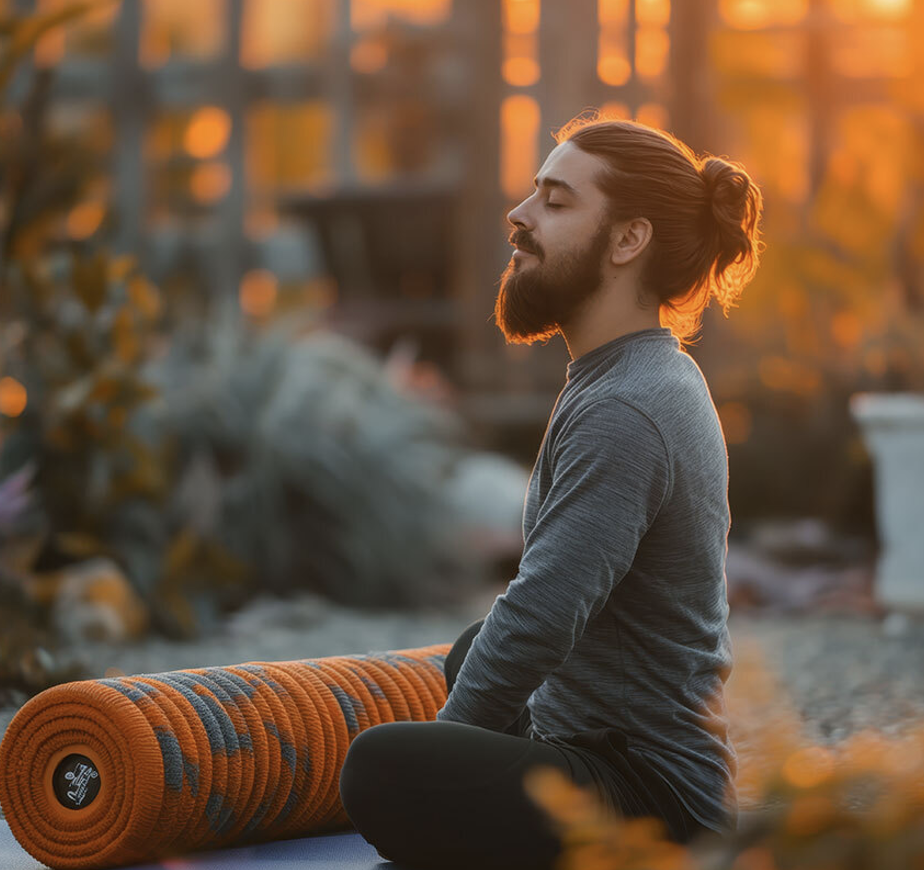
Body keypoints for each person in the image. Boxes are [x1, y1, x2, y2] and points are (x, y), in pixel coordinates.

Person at [338, 112, 764, 870]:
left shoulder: (627, 407)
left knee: (383, 768)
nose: (518, 217)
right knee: (472, 652)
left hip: (650, 803)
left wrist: (443, 758)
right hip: (604, 752)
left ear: (629, 240)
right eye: (534, 194)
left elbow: (540, 615)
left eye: (556, 202)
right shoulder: (630, 374)